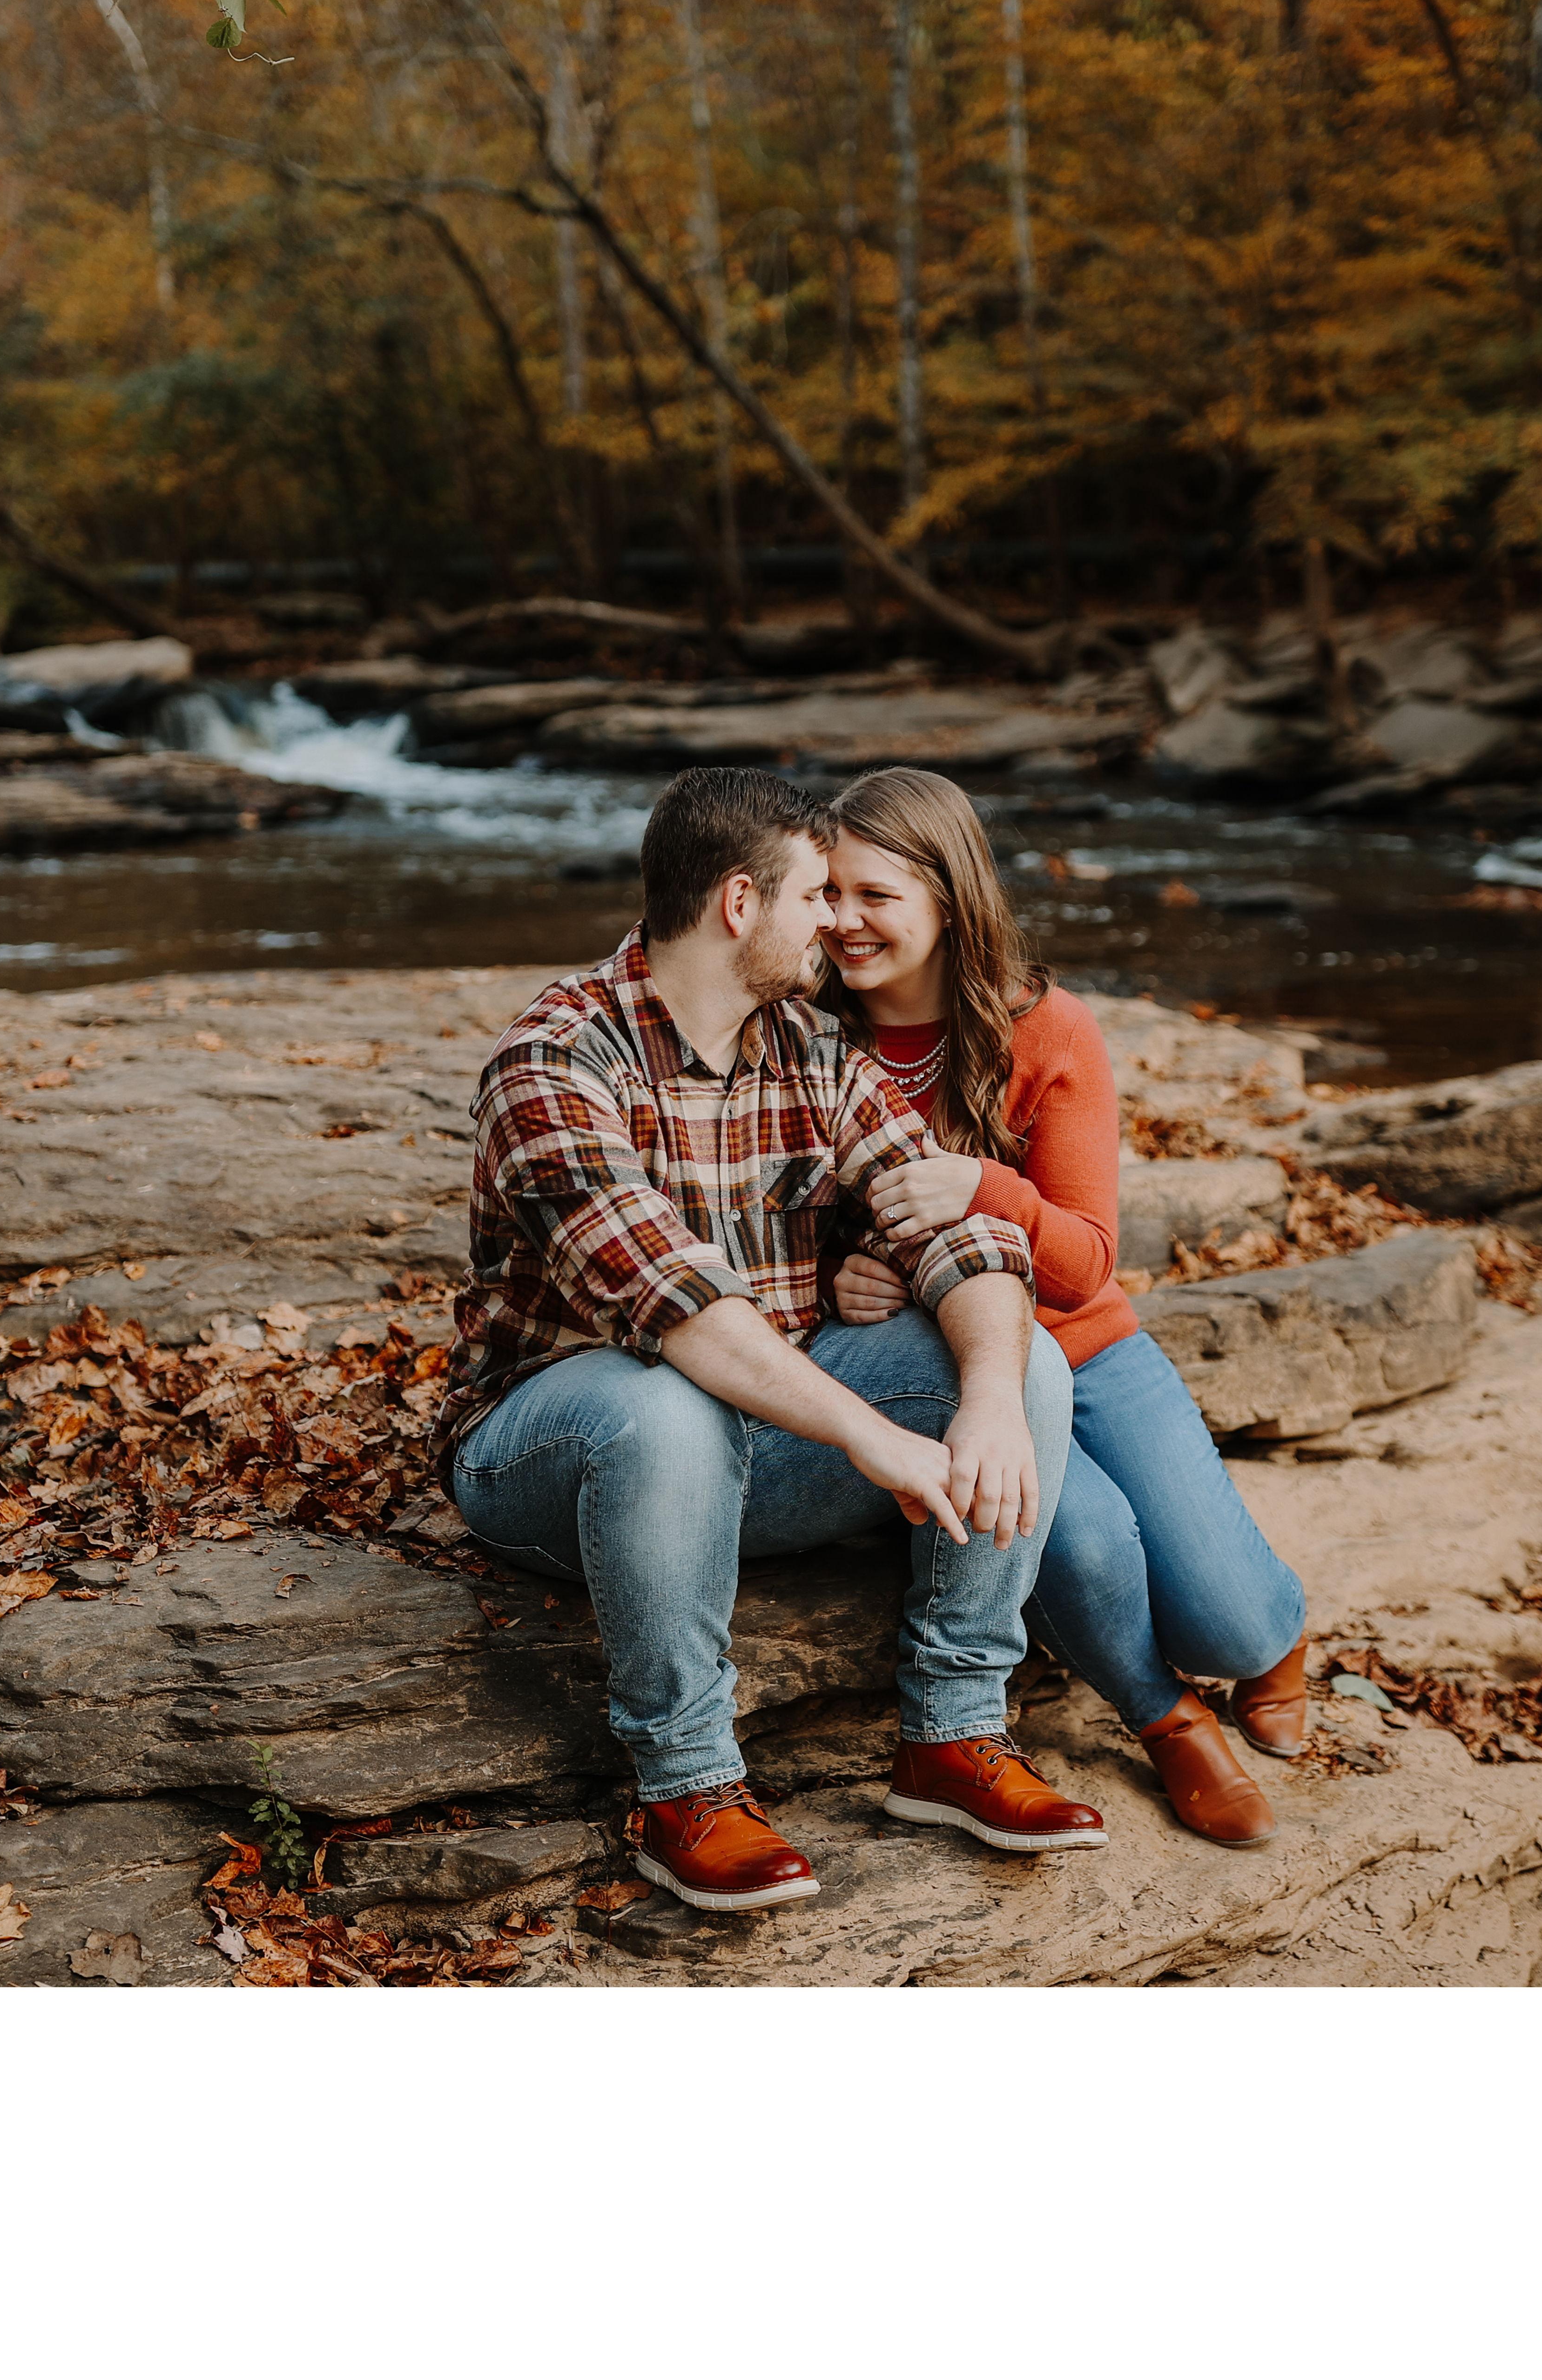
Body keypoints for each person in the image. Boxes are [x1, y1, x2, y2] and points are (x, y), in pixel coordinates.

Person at [433, 763, 1103, 1915]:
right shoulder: (554, 1061)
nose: (834, 924)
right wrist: (873, 1438)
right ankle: (685, 1790)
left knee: (1019, 1351)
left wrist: (987, 1392)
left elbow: (956, 1231)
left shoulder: (805, 1046)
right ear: (739, 904)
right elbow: (683, 1313)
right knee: (661, 1403)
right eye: (812, 897)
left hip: (760, 1443)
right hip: (556, 1457)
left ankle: (951, 1737)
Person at [815, 766, 1309, 1848]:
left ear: (948, 895)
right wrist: (834, 1281)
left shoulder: (1046, 1029)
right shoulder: (804, 1038)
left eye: (874, 895)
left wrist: (980, 1187)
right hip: (948, 1369)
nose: (843, 921)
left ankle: (1274, 1642)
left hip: (1090, 1349)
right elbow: (770, 1224)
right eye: (828, 893)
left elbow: (1085, 1263)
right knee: (1082, 1544)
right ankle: (1164, 1716)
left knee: (1224, 1613)